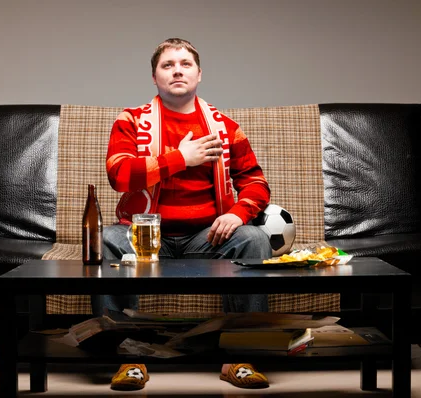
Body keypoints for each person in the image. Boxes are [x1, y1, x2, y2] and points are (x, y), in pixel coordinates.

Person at [94, 38, 272, 391]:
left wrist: (237, 214)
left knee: (254, 239)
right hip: (145, 237)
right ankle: (127, 359)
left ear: (199, 74)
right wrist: (181, 158)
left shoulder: (224, 126)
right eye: (167, 65)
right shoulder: (131, 120)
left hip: (207, 236)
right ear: (155, 77)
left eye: (185, 64)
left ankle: (240, 357)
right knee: (111, 238)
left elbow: (255, 182)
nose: (177, 70)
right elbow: (119, 175)